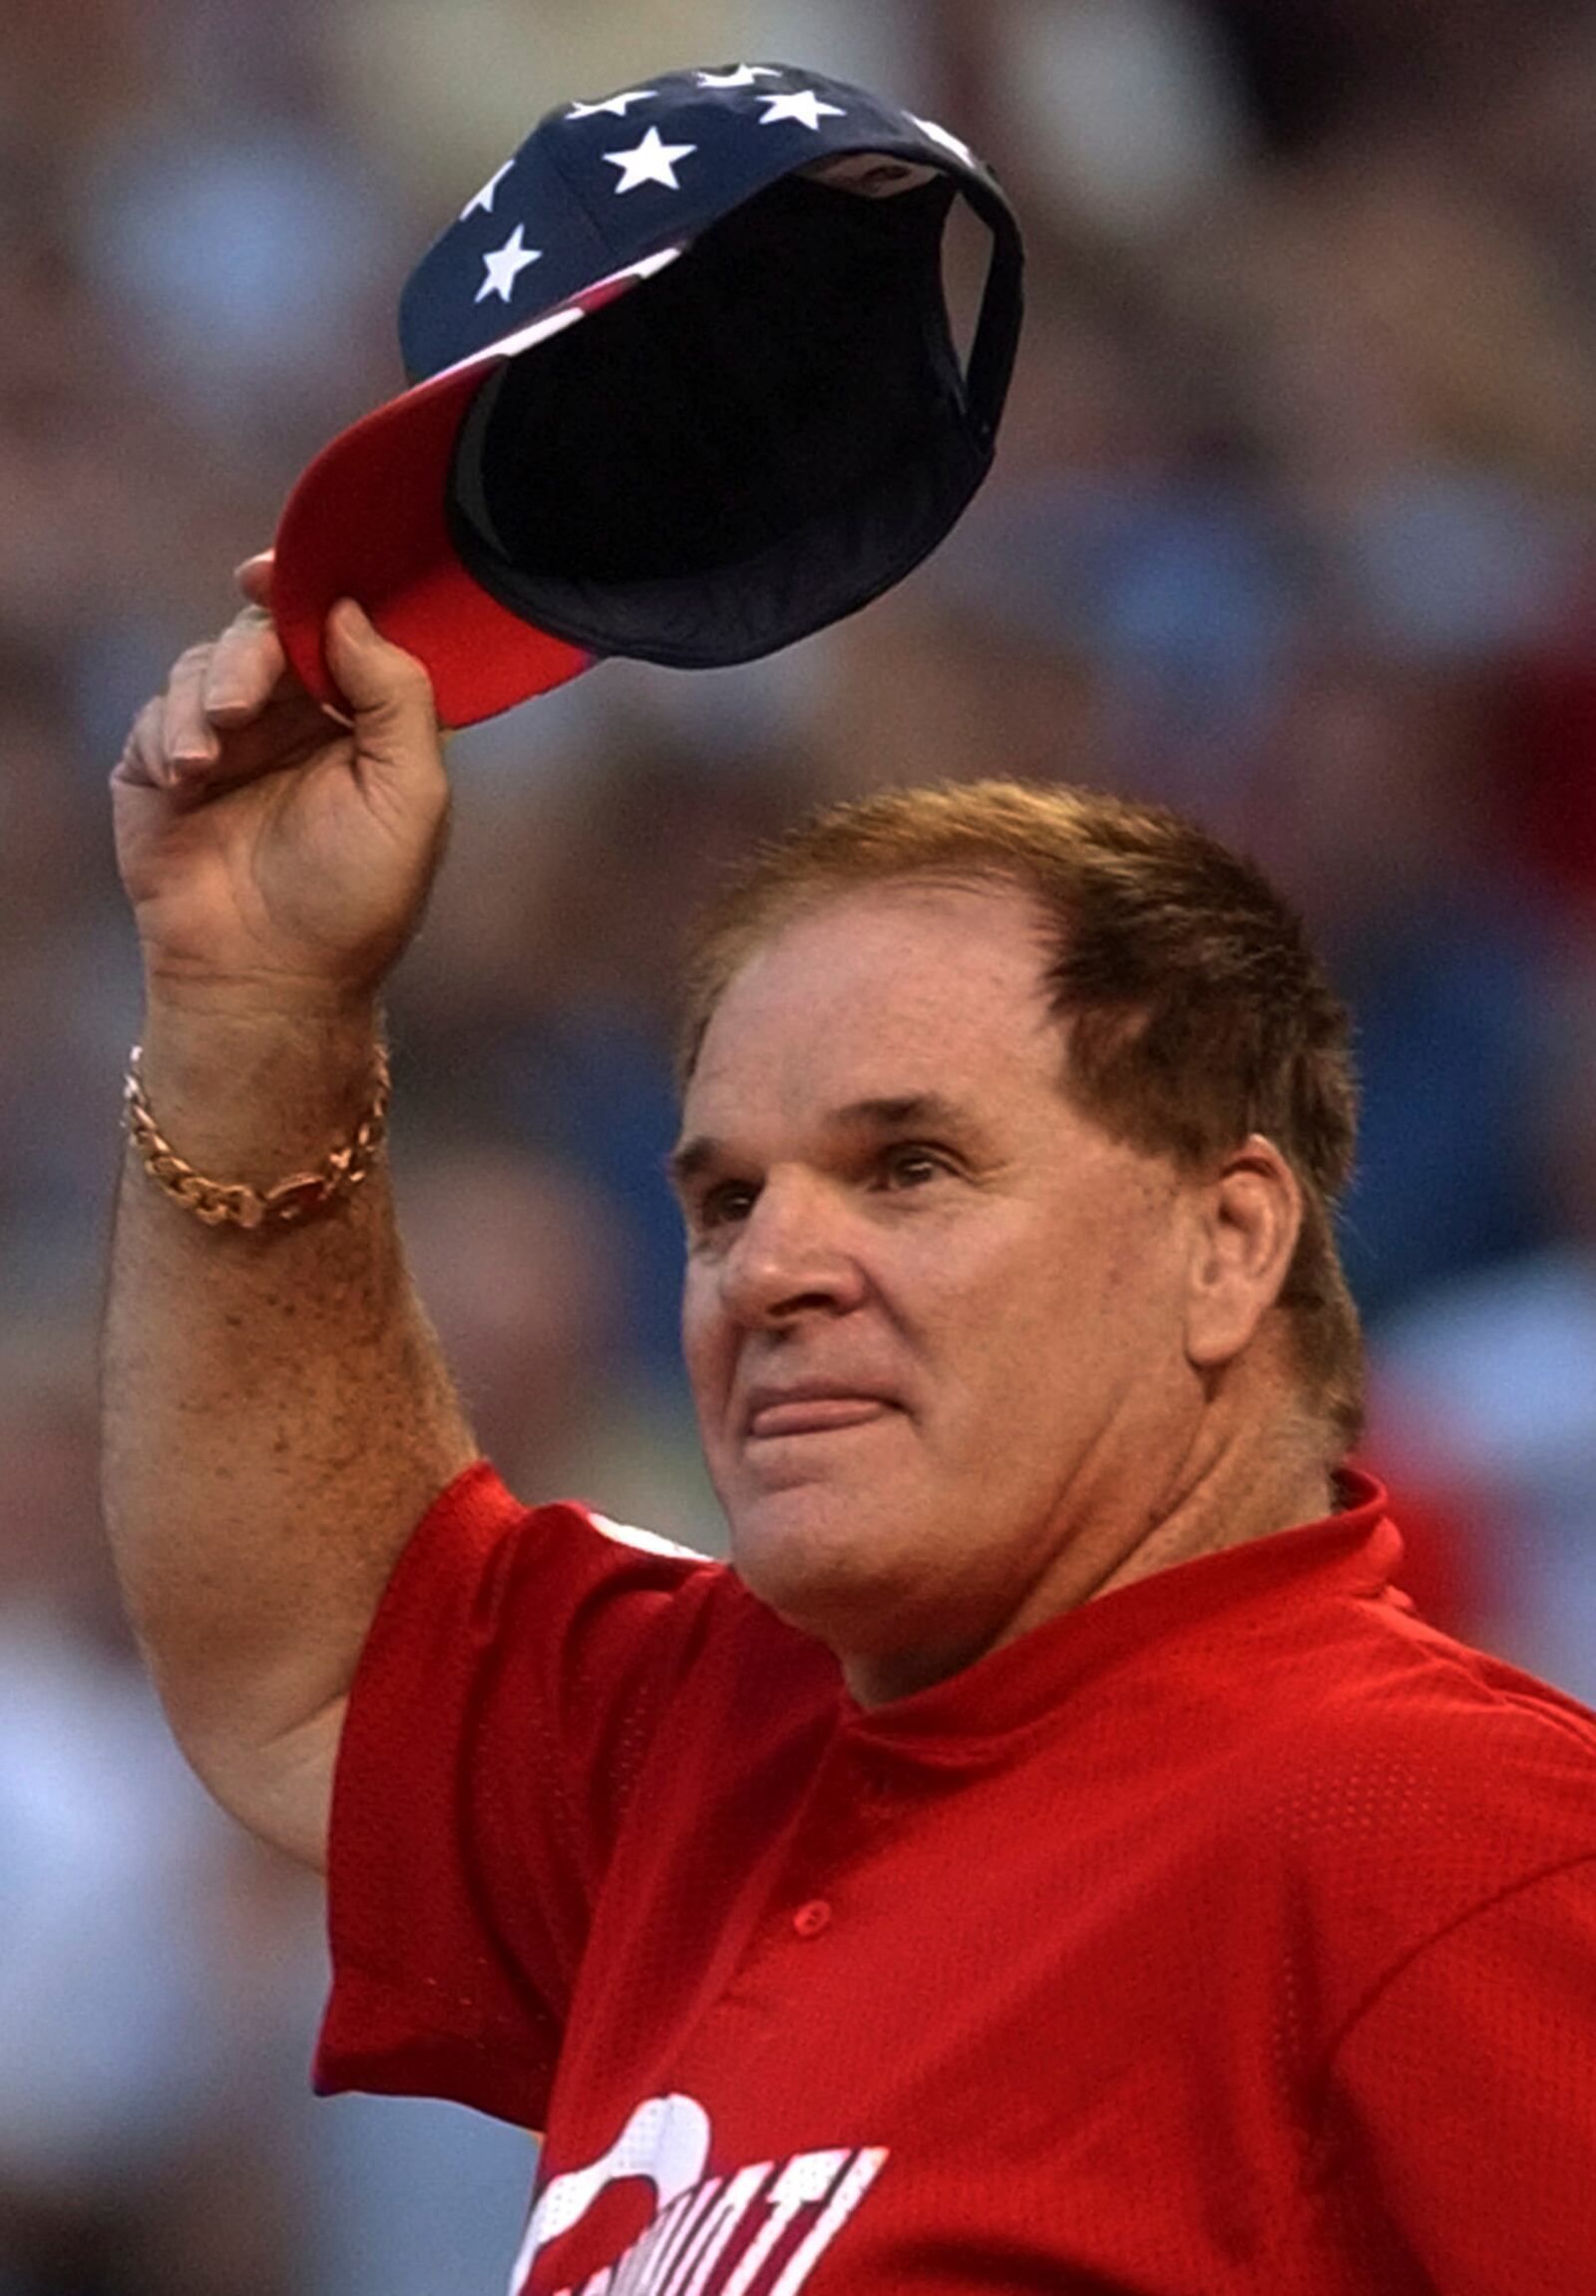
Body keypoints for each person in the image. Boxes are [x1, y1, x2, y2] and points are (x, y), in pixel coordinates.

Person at [103, 560, 1596, 2296]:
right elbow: (310, 1658)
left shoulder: (1455, 1840)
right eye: (725, 1199)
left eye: (911, 1166)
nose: (771, 1269)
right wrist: (255, 1013)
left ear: (1229, 1239)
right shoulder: (715, 1736)